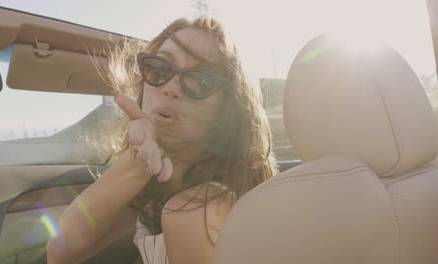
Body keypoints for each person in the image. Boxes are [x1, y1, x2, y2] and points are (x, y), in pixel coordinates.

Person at [46, 16, 276, 264]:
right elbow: (63, 251)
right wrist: (137, 162)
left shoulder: (198, 209)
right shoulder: (156, 190)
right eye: (160, 68)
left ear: (229, 109)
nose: (170, 87)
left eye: (201, 80)